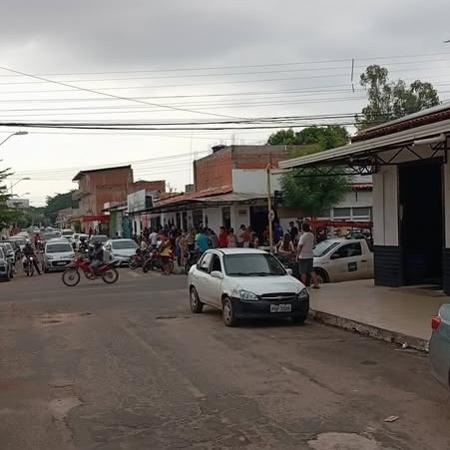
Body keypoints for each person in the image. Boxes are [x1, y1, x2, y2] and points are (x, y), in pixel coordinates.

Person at [297, 222, 319, 288]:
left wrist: (297, 255)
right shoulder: (311, 235)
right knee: (311, 270)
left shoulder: (303, 236)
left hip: (303, 256)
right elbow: (315, 243)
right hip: (310, 255)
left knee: (302, 271)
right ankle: (316, 283)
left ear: (302, 228)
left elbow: (300, 246)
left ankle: (303, 285)